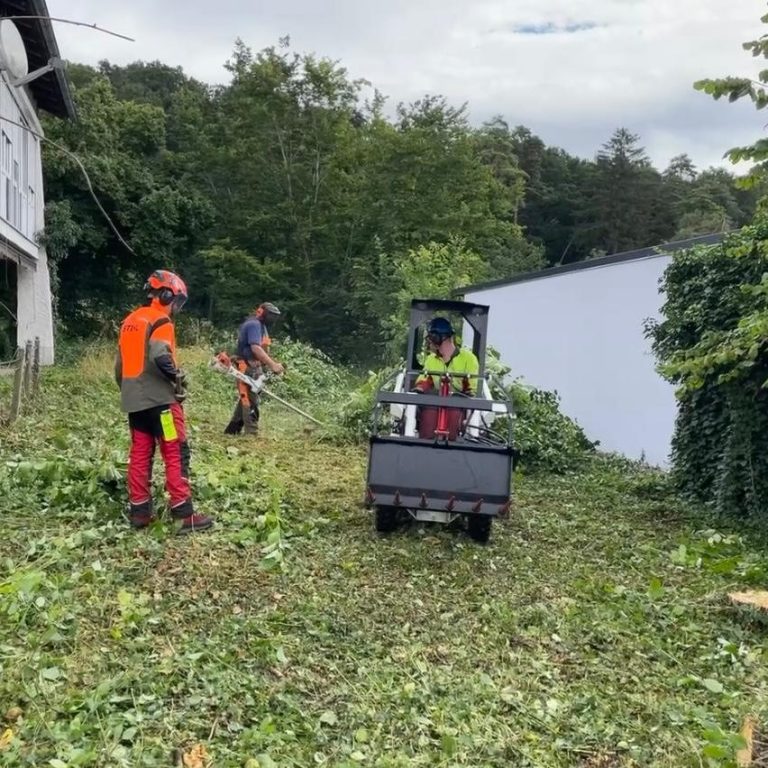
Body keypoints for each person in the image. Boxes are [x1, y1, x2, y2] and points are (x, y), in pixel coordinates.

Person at [114, 270, 213, 534]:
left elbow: (119, 367)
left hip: (136, 404)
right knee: (175, 450)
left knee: (140, 454)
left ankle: (140, 513)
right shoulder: (160, 321)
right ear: (167, 295)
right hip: (162, 406)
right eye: (176, 300)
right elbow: (160, 355)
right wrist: (179, 379)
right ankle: (183, 514)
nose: (175, 307)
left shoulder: (130, 321)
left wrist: (130, 391)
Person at [413, 316, 479, 439]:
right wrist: (419, 389)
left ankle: (453, 440)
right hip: (435, 403)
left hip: (458, 406)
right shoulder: (431, 360)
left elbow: (472, 390)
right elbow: (423, 382)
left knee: (456, 402)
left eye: (431, 337)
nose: (428, 342)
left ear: (437, 338)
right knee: (429, 401)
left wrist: (462, 397)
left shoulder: (469, 359)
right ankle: (426, 440)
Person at [224, 302, 285, 435]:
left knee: (248, 396)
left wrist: (268, 364)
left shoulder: (261, 326)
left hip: (254, 367)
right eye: (271, 315)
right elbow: (255, 348)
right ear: (261, 312)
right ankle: (252, 432)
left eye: (274, 316)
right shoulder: (254, 324)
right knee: (250, 399)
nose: (272, 319)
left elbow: (263, 349)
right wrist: (273, 365)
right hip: (246, 366)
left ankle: (232, 430)